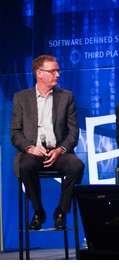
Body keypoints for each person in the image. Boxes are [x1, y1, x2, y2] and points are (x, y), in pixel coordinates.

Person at [10, 55, 85, 230]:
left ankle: (61, 211)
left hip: (58, 152)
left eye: (58, 70)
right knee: (25, 165)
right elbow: (15, 133)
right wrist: (30, 148)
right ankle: (38, 211)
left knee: (77, 166)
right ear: (39, 74)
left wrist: (60, 150)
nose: (57, 74)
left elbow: (73, 132)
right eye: (53, 71)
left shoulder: (66, 97)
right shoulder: (21, 97)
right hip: (33, 152)